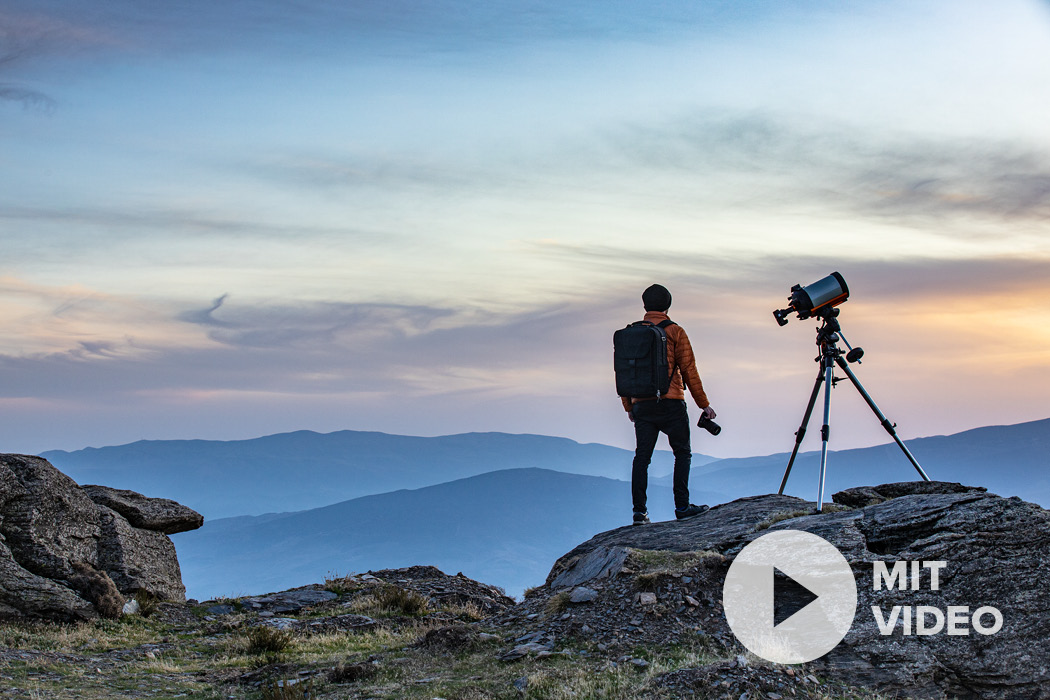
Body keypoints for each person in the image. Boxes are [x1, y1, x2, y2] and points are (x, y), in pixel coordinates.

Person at [622, 283, 716, 525]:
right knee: (682, 453)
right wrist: (703, 404)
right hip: (671, 401)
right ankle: (682, 507)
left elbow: (624, 371)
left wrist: (629, 406)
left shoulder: (631, 334)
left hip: (641, 403)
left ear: (645, 305)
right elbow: (689, 370)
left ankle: (639, 512)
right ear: (668, 305)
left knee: (642, 458)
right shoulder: (675, 331)